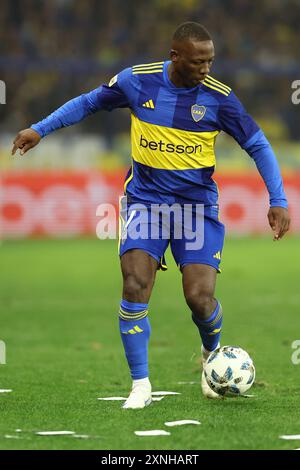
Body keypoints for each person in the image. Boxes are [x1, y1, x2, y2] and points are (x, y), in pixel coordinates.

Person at [12, 22, 290, 408]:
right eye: (198, 62)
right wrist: (40, 129)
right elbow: (89, 102)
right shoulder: (136, 82)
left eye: (210, 61)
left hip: (197, 208)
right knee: (134, 284)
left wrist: (278, 199)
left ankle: (212, 355)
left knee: (199, 297)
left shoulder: (219, 99)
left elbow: (257, 144)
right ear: (175, 56)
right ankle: (141, 384)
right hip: (145, 203)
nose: (206, 69)